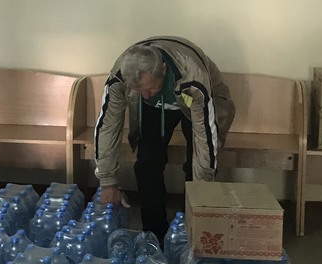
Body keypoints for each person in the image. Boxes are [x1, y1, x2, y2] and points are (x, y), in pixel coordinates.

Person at [95, 37, 235, 241]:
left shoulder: (192, 76)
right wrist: (107, 181)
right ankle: (154, 234)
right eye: (139, 90)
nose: (145, 95)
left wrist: (202, 195)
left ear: (162, 70)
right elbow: (108, 124)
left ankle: (190, 228)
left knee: (195, 164)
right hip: (157, 108)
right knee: (147, 163)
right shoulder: (120, 78)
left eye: (149, 88)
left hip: (195, 102)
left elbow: (205, 136)